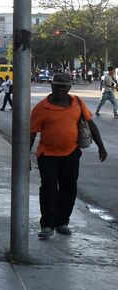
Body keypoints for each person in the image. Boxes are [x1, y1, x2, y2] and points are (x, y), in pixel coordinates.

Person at [30, 73, 108, 240]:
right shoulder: (41, 108)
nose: (59, 89)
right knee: (49, 189)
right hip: (47, 155)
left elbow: (90, 124)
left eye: (63, 86)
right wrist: (24, 157)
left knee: (69, 189)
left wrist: (101, 146)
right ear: (51, 86)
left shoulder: (77, 103)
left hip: (71, 154)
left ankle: (62, 222)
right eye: (56, 85)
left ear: (69, 88)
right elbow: (31, 133)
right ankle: (47, 225)